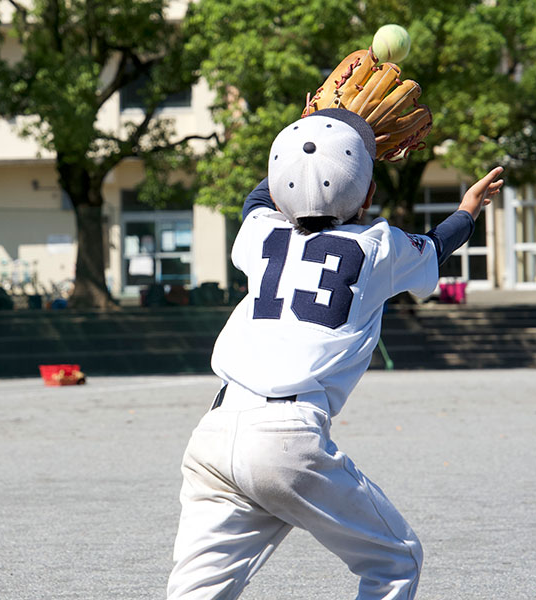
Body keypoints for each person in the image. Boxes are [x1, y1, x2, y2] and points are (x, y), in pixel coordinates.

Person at [166, 108, 503, 599]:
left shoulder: (259, 233)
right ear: (367, 193)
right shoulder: (377, 245)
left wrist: (312, 136)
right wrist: (468, 209)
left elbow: (260, 197)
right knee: (396, 560)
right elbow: (436, 244)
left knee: (195, 592)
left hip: (213, 437)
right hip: (287, 439)